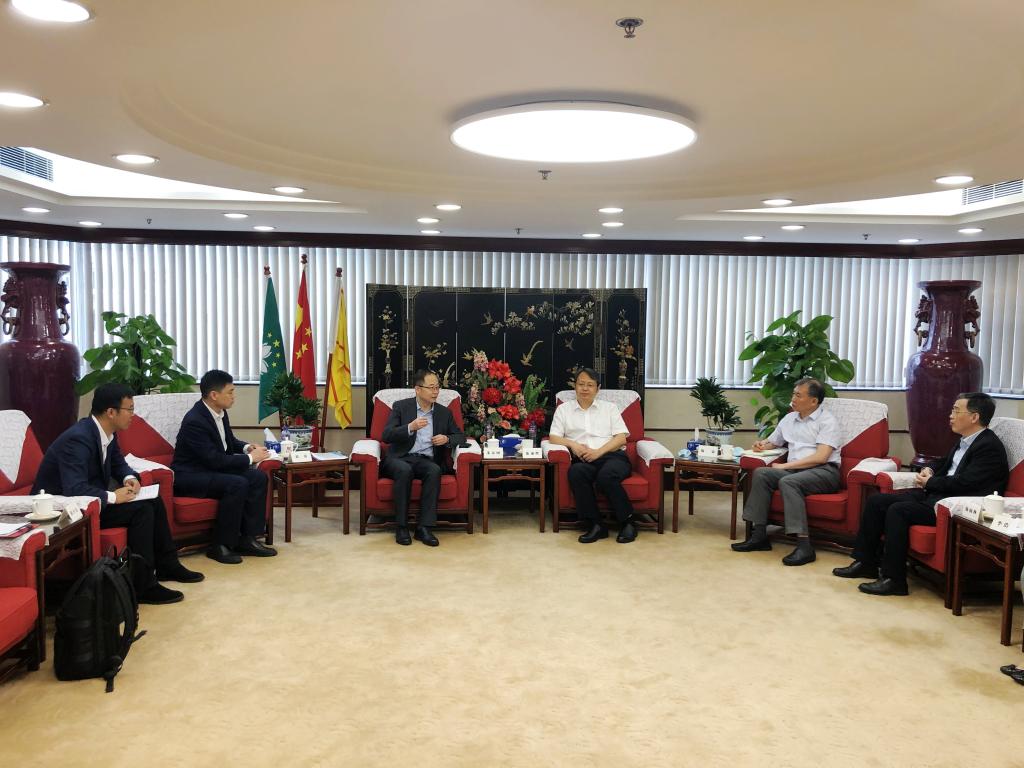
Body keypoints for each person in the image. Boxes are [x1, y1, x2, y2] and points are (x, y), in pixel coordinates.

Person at [33, 382, 202, 604]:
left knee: (153, 500)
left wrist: (129, 478)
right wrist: (114, 496)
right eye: (129, 409)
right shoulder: (78, 439)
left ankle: (167, 565)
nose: (133, 415)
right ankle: (143, 586)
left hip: (92, 503)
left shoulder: (107, 433)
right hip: (64, 514)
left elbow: (118, 464)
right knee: (141, 510)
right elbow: (74, 489)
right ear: (111, 412)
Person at [834, 392, 1008, 596]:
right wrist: (930, 470)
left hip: (956, 506)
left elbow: (967, 482)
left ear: (974, 417)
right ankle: (866, 563)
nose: (950, 415)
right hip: (938, 496)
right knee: (877, 501)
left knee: (898, 510)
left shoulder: (988, 447)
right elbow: (945, 463)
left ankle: (894, 580)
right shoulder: (966, 440)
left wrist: (930, 482)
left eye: (956, 411)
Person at [732, 378, 842, 565]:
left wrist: (785, 467)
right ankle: (759, 536)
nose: (793, 399)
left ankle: (804, 546)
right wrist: (762, 445)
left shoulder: (827, 421)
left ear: (813, 401)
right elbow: (774, 441)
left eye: (798, 395)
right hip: (796, 471)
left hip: (824, 472)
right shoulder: (790, 418)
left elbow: (821, 457)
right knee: (762, 473)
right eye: (793, 394)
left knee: (788, 481)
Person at [172, 370, 277, 564]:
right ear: (214, 395)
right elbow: (214, 460)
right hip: (190, 476)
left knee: (258, 478)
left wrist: (247, 447)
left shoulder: (220, 412)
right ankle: (220, 545)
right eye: (230, 392)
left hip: (210, 470)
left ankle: (248, 538)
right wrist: (250, 458)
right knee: (236, 483)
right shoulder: (195, 421)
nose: (233, 396)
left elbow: (228, 441)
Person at [547, 368, 636, 544]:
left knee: (606, 476)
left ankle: (627, 522)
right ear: (575, 386)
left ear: (598, 388)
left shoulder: (609, 408)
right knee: (576, 472)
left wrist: (598, 452)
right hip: (584, 459)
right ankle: (596, 525)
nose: (585, 388)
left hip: (612, 456)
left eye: (590, 385)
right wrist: (574, 445)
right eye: (581, 384)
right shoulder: (564, 409)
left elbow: (621, 438)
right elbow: (553, 437)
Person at [381, 369, 464, 547]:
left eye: (437, 387)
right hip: (399, 458)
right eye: (431, 387)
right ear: (418, 389)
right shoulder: (401, 407)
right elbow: (386, 435)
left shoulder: (444, 413)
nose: (435, 392)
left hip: (425, 460)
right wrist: (410, 427)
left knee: (434, 470)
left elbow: (460, 436)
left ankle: (424, 528)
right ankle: (401, 527)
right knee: (404, 470)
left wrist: (447, 439)